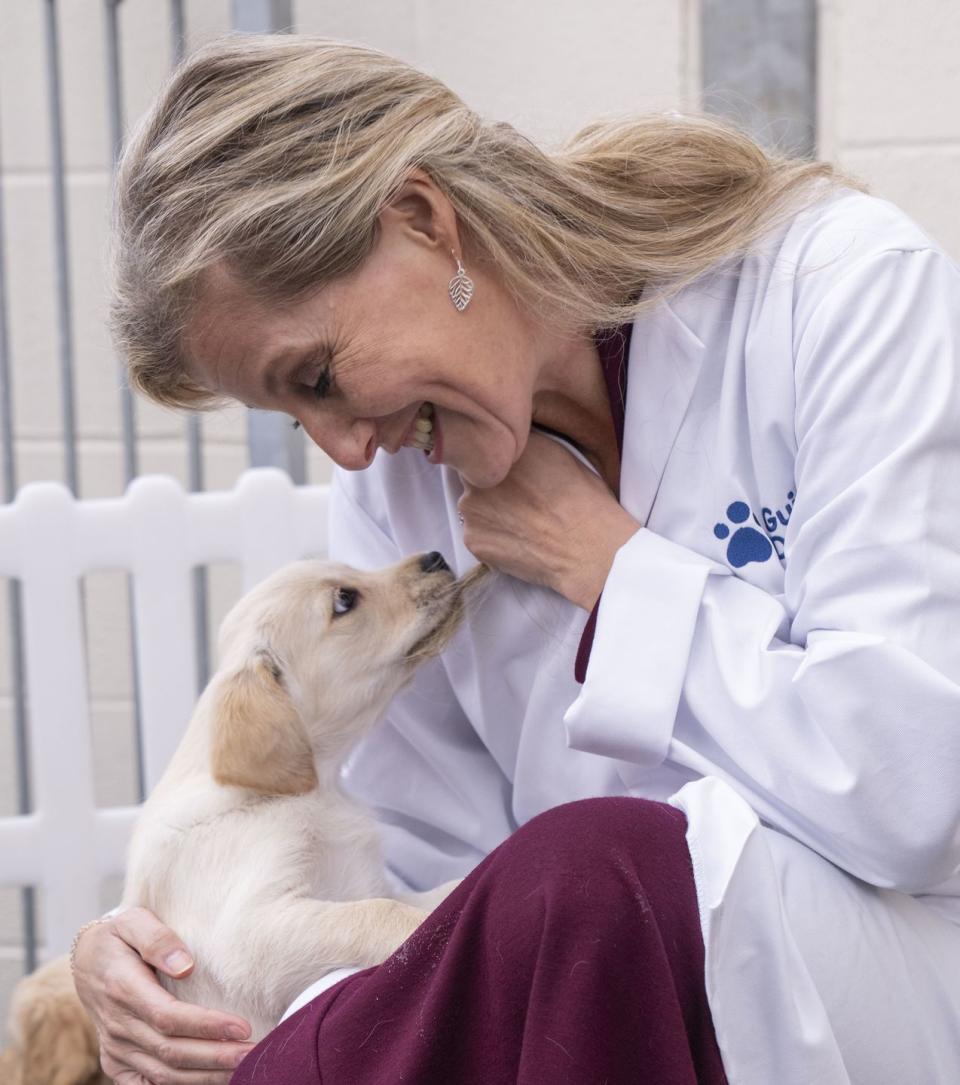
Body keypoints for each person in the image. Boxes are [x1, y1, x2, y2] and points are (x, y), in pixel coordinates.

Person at [71, 31, 960, 1085]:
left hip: (888, 970)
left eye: (316, 376)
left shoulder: (840, 285)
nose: (347, 446)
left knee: (596, 875)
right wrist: (171, 972)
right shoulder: (397, 480)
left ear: (422, 220)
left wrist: (615, 572)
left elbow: (916, 790)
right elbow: (415, 892)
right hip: (574, 1020)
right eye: (294, 417)